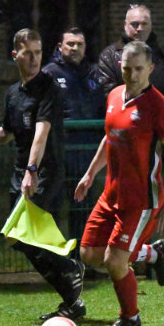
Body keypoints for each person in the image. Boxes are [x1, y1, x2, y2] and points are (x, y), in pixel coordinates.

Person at [0, 29, 86, 320]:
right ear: (15, 55)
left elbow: (42, 132)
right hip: (21, 173)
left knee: (25, 235)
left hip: (44, 172)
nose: (34, 59)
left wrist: (32, 170)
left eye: (38, 53)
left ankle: (69, 268)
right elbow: (7, 132)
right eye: (28, 53)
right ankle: (71, 293)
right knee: (18, 239)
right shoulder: (13, 93)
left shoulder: (49, 87)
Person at [75, 40, 164, 326]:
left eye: (138, 69)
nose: (132, 75)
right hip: (111, 194)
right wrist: (90, 174)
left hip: (141, 200)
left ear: (150, 69)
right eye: (127, 69)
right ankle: (153, 254)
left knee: (114, 261)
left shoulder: (159, 107)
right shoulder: (114, 95)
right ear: (119, 67)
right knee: (88, 253)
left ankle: (130, 319)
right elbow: (110, 136)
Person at [41, 27, 104, 257]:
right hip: (58, 153)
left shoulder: (93, 75)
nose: (75, 48)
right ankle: (55, 260)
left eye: (79, 44)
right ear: (60, 47)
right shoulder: (48, 74)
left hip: (86, 154)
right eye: (70, 44)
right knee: (54, 207)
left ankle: (80, 259)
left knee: (83, 209)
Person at [97, 4, 164, 109]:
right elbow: (107, 93)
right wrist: (135, 109)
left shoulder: (161, 55)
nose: (140, 29)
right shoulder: (109, 56)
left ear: (151, 26)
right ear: (125, 25)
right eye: (135, 24)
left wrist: (158, 107)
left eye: (144, 24)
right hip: (125, 115)